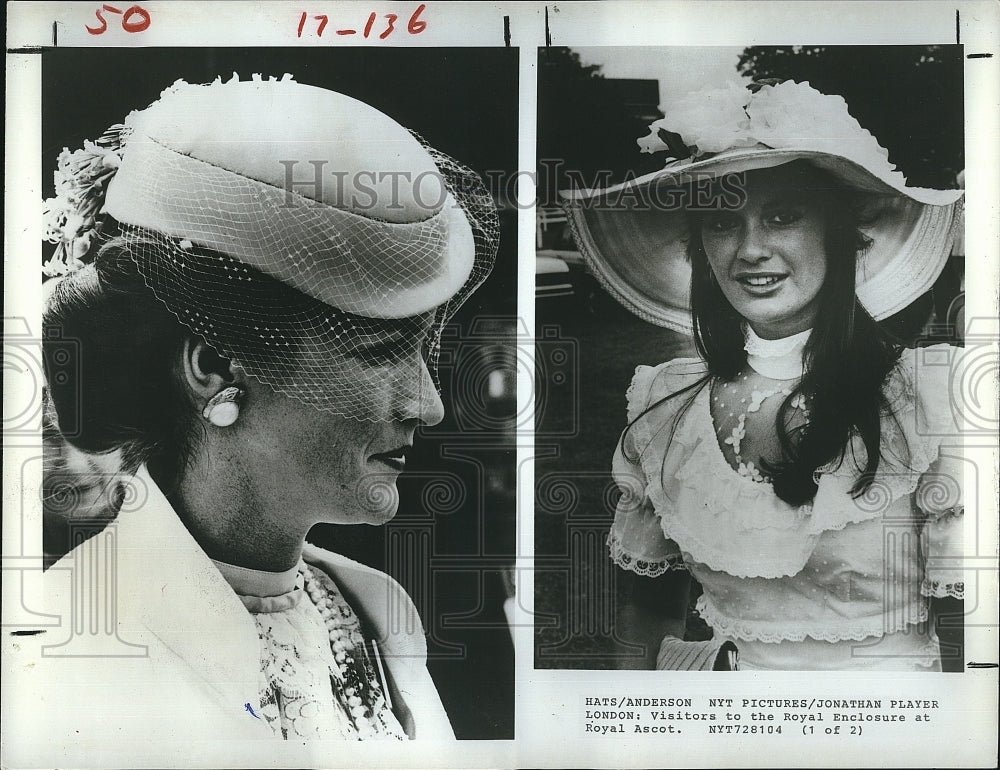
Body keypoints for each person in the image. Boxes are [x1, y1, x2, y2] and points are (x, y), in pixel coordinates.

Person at [28, 74, 497, 742]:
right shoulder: (69, 644)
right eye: (379, 351)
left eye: (423, 353)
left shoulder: (380, 611)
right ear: (213, 367)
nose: (430, 405)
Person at [562, 80, 966, 671]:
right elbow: (647, 615)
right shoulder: (666, 406)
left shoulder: (926, 398)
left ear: (838, 234)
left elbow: (972, 636)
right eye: (723, 223)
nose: (751, 249)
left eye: (782, 216)